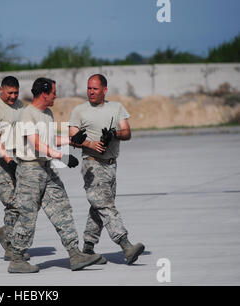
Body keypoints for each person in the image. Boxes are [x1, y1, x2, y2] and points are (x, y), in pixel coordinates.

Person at [8, 77, 101, 273]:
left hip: (46, 167)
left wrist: (72, 140)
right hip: (30, 169)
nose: (56, 96)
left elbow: (49, 140)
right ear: (44, 93)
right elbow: (36, 144)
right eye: (53, 92)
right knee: (28, 215)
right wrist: (62, 157)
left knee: (62, 208)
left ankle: (75, 254)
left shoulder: (47, 113)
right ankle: (17, 259)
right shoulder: (27, 115)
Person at [69, 74, 145, 265]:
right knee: (105, 205)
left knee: (98, 207)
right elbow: (72, 137)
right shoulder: (79, 110)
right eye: (88, 88)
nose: (90, 92)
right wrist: (90, 144)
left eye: (94, 89)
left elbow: (127, 132)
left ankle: (87, 247)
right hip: (91, 163)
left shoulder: (116, 108)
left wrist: (113, 134)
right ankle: (126, 244)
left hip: (111, 164)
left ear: (104, 90)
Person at [0, 76, 30, 261]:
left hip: (21, 158)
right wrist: (7, 159)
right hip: (5, 161)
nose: (13, 96)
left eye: (16, 92)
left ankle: (6, 233)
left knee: (24, 202)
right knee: (11, 202)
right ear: (0, 90)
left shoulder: (20, 106)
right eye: (9, 93)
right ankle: (10, 246)